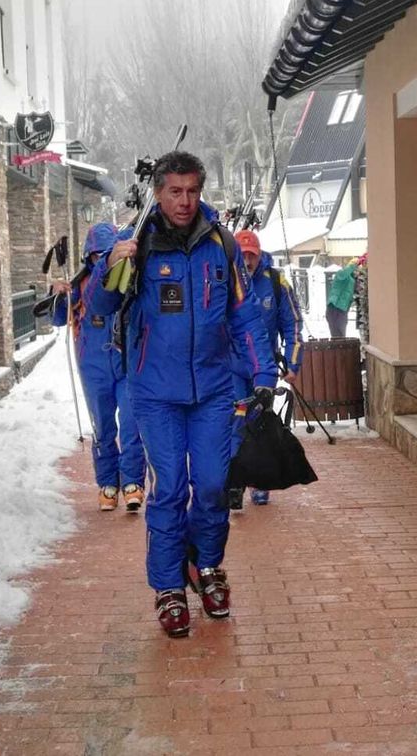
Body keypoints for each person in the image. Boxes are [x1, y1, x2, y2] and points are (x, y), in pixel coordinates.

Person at [89, 151, 277, 638]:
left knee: (214, 485)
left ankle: (207, 565)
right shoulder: (140, 244)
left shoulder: (221, 245)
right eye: (175, 191)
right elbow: (102, 305)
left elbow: (244, 314)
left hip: (213, 391)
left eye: (192, 191)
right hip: (155, 393)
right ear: (158, 192)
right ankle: (168, 585)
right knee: (170, 488)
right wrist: (111, 264)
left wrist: (263, 374)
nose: (184, 201)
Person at [50, 223, 147, 513]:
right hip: (92, 366)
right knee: (103, 427)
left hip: (125, 364)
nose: (98, 259)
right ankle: (107, 483)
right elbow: (57, 318)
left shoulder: (128, 277)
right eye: (94, 255)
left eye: (104, 254)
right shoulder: (81, 284)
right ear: (87, 256)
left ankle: (132, 483)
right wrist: (57, 293)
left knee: (131, 425)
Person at [225, 229, 304, 509]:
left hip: (264, 369)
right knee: (234, 424)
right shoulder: (225, 278)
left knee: (260, 425)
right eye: (242, 254)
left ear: (259, 256)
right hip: (231, 367)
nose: (247, 261)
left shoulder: (275, 281)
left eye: (252, 255)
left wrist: (292, 363)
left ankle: (260, 482)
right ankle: (234, 484)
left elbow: (292, 324)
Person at [326, 257, 357, 338]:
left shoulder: (353, 281)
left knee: (341, 338)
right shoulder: (341, 274)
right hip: (334, 308)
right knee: (337, 338)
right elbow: (343, 275)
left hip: (342, 312)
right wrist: (354, 265)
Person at [353, 252, 369, 344]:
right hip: (363, 311)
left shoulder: (362, 276)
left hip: (364, 312)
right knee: (363, 334)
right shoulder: (359, 277)